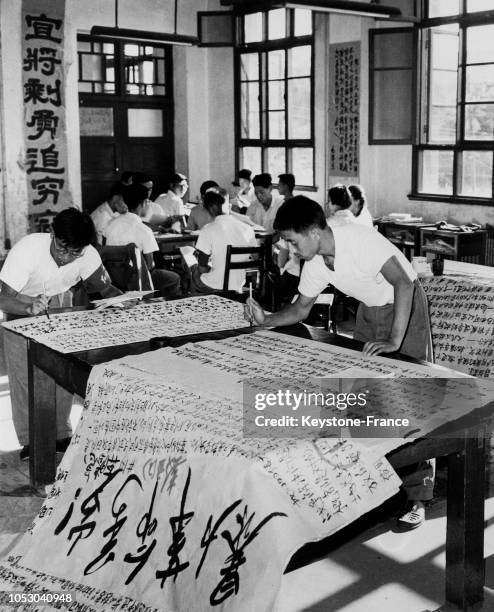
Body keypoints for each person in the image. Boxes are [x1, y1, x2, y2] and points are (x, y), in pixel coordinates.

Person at [244, 195, 434, 529]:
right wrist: (266, 319)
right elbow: (301, 309)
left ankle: (418, 496)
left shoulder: (358, 239)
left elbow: (403, 282)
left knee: (408, 397)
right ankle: (377, 482)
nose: (289, 248)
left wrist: (394, 339)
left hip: (405, 306)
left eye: (292, 240)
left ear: (314, 232)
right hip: (369, 308)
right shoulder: (316, 261)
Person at [0, 208, 123, 460]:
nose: (66, 257)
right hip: (20, 303)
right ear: (52, 233)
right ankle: (29, 440)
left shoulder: (87, 253)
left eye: (74, 252)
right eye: (62, 248)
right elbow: (3, 297)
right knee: (24, 377)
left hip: (61, 303)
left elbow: (105, 288)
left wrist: (127, 300)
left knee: (61, 369)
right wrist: (26, 307)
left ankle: (60, 433)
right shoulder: (28, 249)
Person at [104, 184, 181, 298]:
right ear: (144, 203)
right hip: (136, 280)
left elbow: (105, 251)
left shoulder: (110, 225)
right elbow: (149, 266)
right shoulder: (144, 230)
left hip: (114, 278)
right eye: (148, 202)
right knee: (174, 278)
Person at [190, 188, 257, 294]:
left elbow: (202, 267)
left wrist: (209, 267)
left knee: (194, 271)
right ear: (228, 205)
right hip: (238, 284)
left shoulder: (208, 229)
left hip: (214, 285)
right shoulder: (247, 228)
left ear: (209, 209)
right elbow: (256, 258)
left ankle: (198, 306)